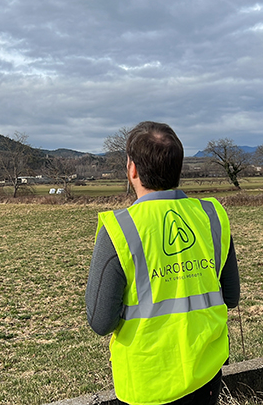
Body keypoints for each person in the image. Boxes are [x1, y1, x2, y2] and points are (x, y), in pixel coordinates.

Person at [85, 121, 240, 405]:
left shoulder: (119, 229)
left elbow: (100, 321)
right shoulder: (212, 215)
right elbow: (231, 297)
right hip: (206, 373)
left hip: (147, 381)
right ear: (177, 168)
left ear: (132, 169)